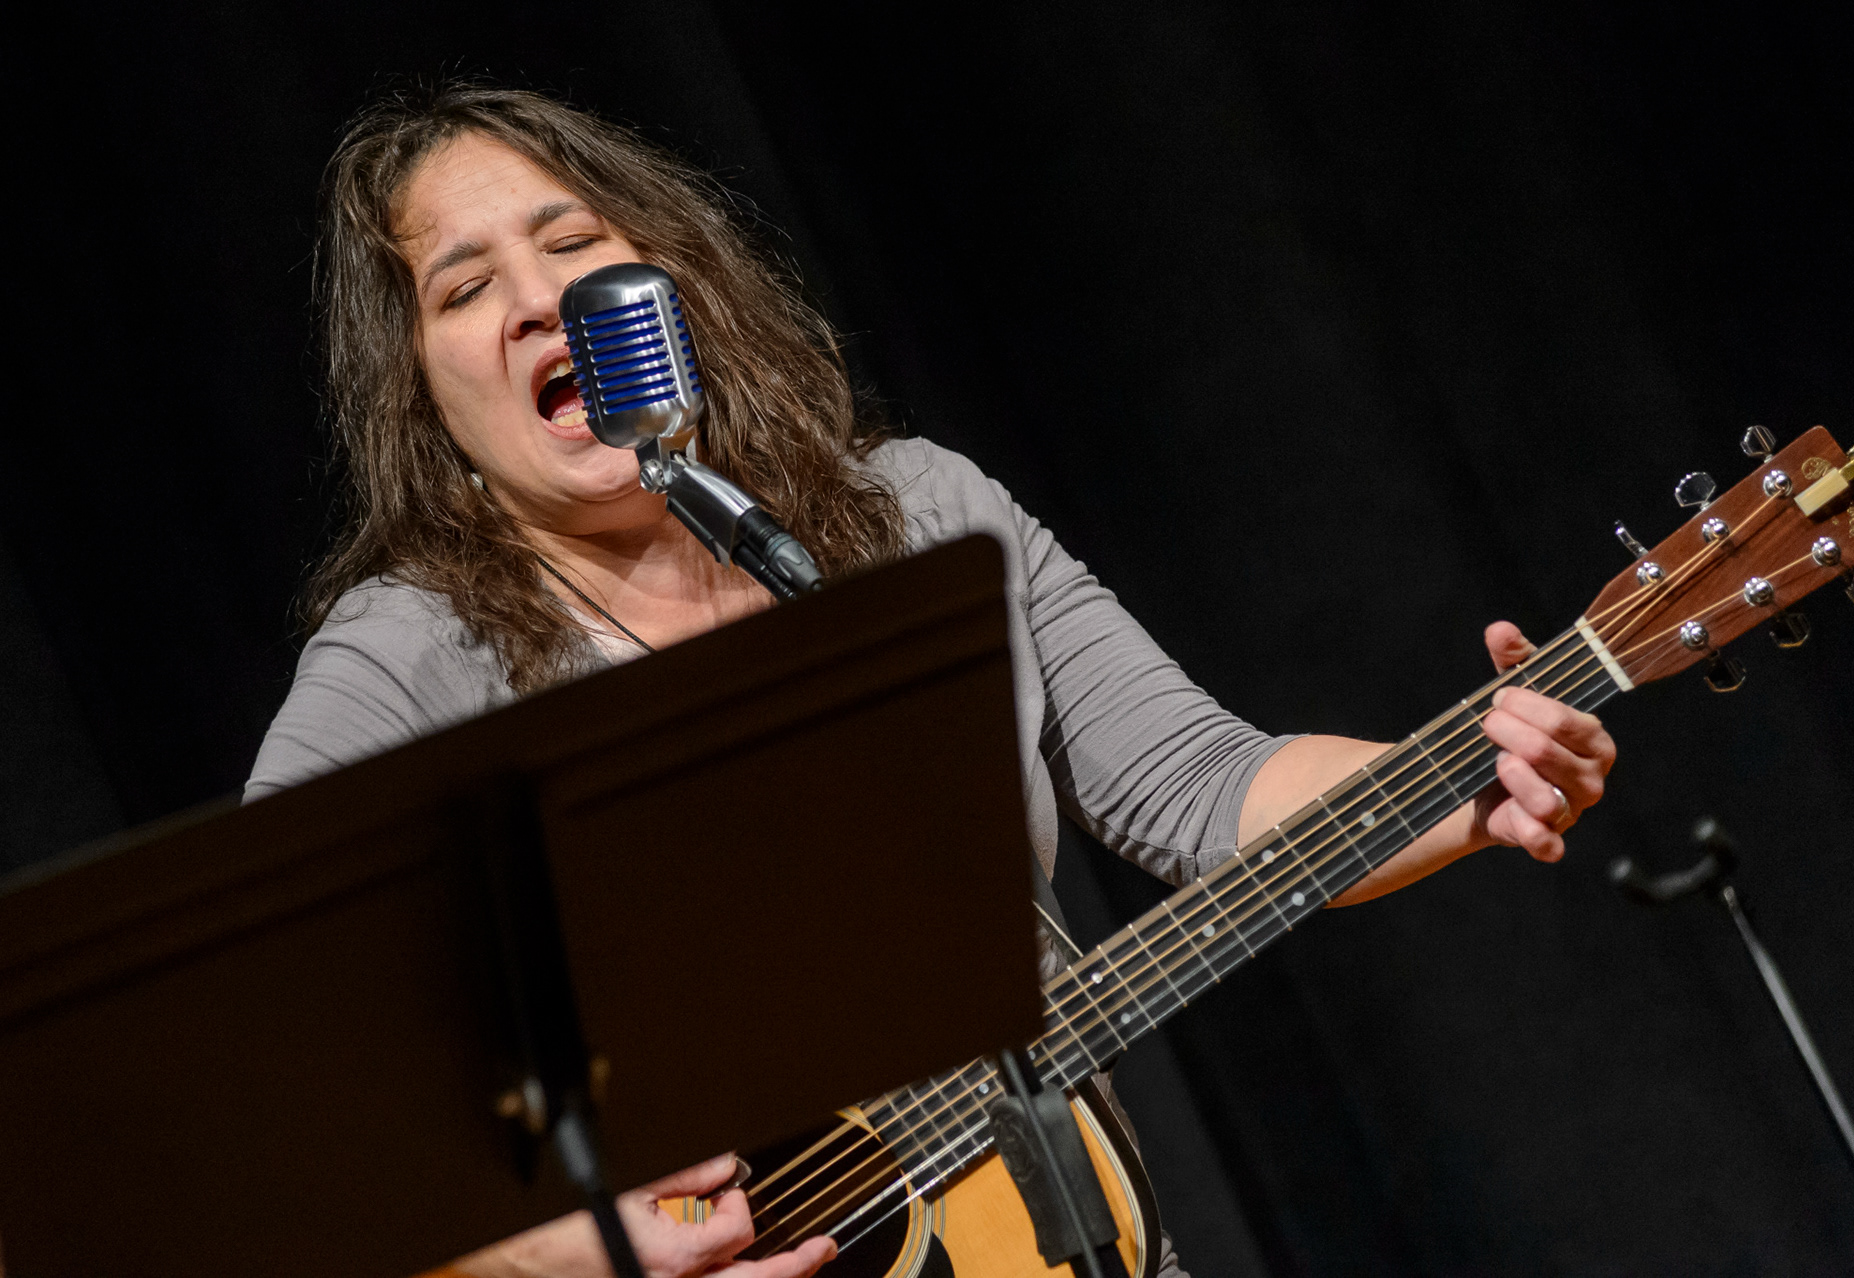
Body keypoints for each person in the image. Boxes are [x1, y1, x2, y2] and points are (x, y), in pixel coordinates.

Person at [247, 83, 1616, 1277]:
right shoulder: (408, 657)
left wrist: (1465, 782)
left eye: (572, 243)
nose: (538, 300)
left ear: (669, 285)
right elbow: (260, 1078)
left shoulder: (916, 516)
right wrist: (557, 1246)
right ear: (423, 395)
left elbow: (1207, 789)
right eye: (464, 288)